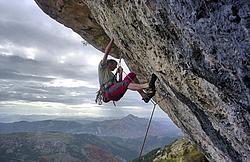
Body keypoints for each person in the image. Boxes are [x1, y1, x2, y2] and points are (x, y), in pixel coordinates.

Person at [97, 38, 157, 103]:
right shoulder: (102, 67)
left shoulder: (111, 75)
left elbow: (119, 85)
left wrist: (120, 74)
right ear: (110, 63)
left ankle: (144, 95)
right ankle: (147, 85)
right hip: (109, 93)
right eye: (115, 65)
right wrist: (112, 40)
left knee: (131, 75)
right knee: (125, 83)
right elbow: (106, 53)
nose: (115, 68)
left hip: (115, 94)